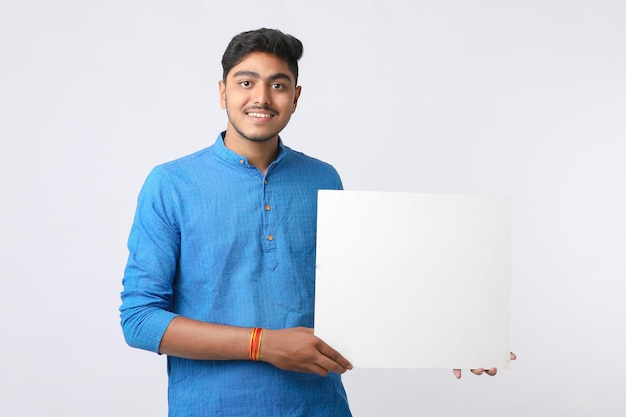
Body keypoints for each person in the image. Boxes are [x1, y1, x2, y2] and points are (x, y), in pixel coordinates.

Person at [120, 27, 515, 416]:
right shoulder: (171, 184)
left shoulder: (324, 179)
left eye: (278, 85)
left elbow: (360, 295)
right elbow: (140, 321)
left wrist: (455, 335)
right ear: (222, 91)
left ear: (296, 97)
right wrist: (263, 344)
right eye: (246, 82)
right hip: (212, 408)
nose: (261, 97)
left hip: (318, 407)